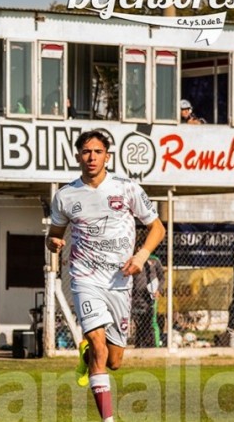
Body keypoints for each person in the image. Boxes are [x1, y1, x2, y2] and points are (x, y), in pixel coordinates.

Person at [47, 130, 165, 422]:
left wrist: (140, 256)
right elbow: (54, 234)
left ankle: (86, 355)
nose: (91, 157)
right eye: (86, 151)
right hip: (85, 278)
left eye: (97, 152)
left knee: (113, 361)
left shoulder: (127, 189)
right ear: (77, 156)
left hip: (120, 281)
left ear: (107, 156)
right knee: (99, 344)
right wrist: (53, 243)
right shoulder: (65, 195)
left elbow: (157, 228)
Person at [131, 255, 165, 348]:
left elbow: (162, 278)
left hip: (150, 297)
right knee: (138, 323)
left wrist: (159, 290)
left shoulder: (154, 260)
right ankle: (138, 345)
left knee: (151, 322)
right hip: (135, 297)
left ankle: (155, 346)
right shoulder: (133, 259)